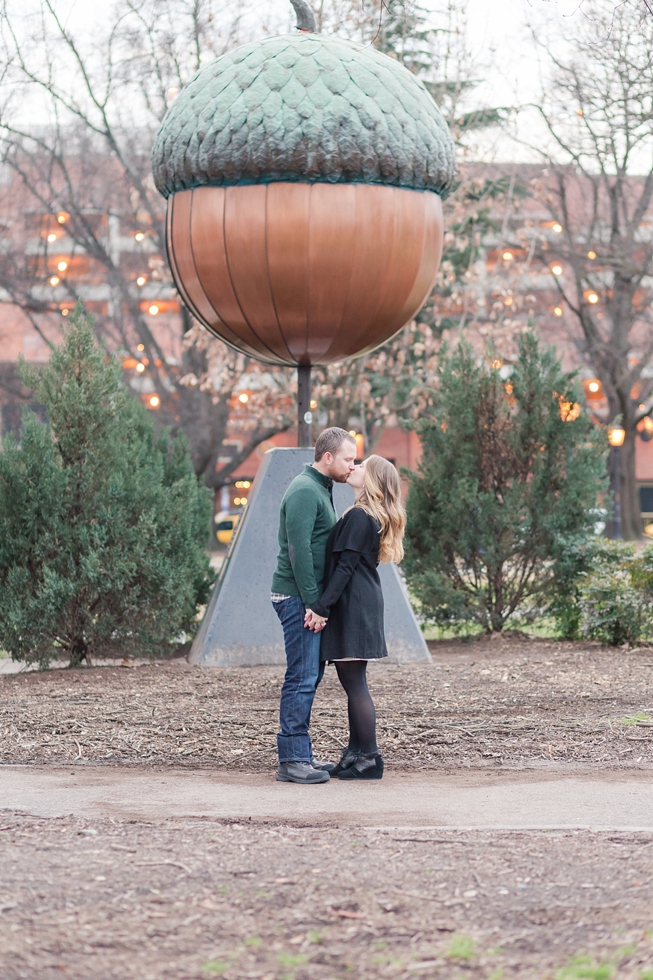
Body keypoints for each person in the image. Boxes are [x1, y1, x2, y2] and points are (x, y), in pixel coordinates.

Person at [305, 455, 406, 780]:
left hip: (354, 604)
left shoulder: (362, 517)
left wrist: (322, 606)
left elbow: (345, 568)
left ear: (373, 479)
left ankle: (369, 757)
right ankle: (356, 752)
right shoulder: (364, 515)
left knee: (355, 683)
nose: (354, 468)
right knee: (353, 682)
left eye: (361, 466)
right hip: (358, 603)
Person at [271, 427, 357, 784]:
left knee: (310, 675)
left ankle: (300, 753)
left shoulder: (320, 488)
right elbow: (298, 551)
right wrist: (314, 605)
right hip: (296, 598)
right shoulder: (306, 490)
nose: (352, 466)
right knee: (302, 677)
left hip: (306, 599)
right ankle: (291, 760)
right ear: (327, 457)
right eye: (348, 459)